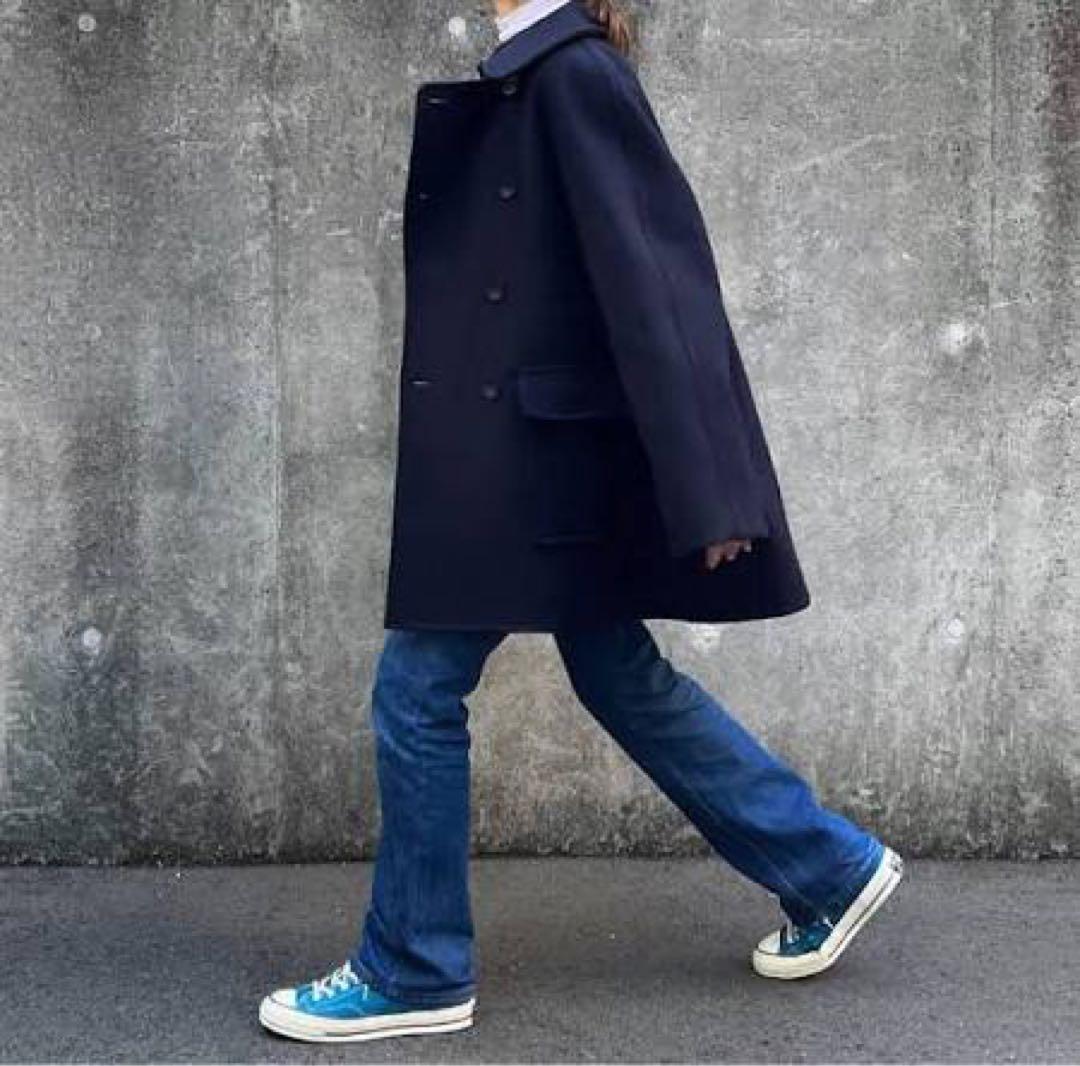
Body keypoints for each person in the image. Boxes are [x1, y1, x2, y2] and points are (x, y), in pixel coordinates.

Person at [258, 0, 904, 1044]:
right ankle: (827, 864)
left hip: (531, 466)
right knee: (617, 673)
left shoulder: (575, 76)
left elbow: (663, 285)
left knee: (417, 688)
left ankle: (416, 967)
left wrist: (714, 490)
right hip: (539, 451)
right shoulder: (543, 73)